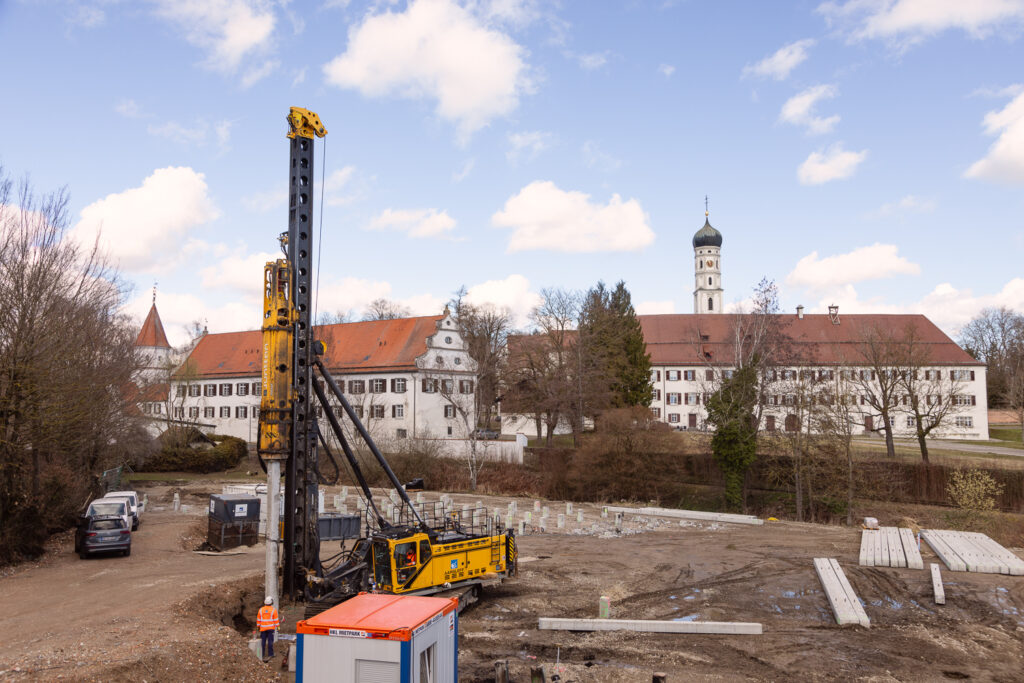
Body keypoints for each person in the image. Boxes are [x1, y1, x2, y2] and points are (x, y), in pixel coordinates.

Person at [256, 597, 279, 662]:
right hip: (270, 628)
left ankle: (262, 654)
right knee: (270, 641)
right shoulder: (273, 610)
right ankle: (270, 654)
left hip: (263, 628)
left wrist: (258, 627)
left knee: (263, 642)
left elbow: (258, 620)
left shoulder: (261, 610)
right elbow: (276, 620)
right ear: (271, 602)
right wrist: (278, 626)